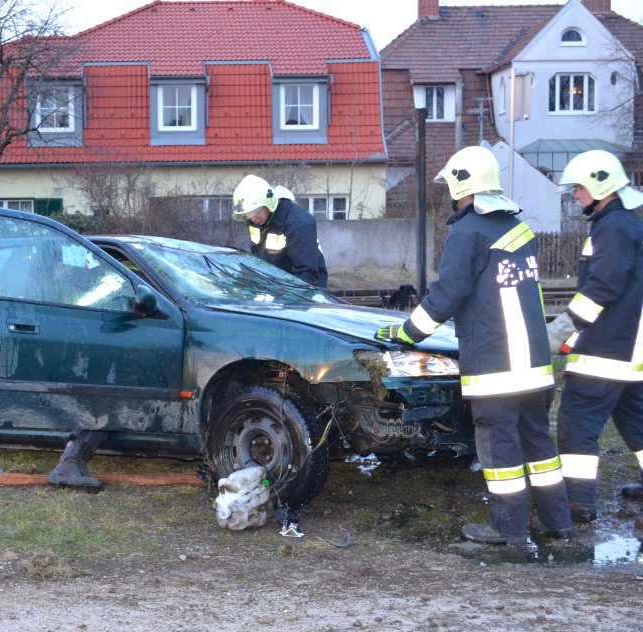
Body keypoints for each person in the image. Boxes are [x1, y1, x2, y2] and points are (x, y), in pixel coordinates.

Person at [375, 145, 571, 545]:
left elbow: (447, 296)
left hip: (496, 366)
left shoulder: (467, 232)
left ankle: (507, 528)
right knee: (538, 442)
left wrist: (405, 334)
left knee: (499, 447)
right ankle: (557, 520)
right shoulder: (520, 230)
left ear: (460, 186)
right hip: (534, 364)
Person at [546, 150, 643, 520]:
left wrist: (562, 328)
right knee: (635, 421)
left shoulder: (614, 226)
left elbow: (602, 288)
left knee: (577, 421)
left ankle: (578, 502)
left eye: (580, 188)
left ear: (600, 186)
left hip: (608, 349)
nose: (576, 195)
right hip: (628, 347)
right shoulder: (624, 223)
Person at [232, 174, 328, 288]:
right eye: (247, 214)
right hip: (275, 283)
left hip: (303, 287)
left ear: (267, 203)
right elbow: (257, 252)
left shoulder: (299, 225)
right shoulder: (257, 219)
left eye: (255, 212)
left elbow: (307, 275)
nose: (252, 218)